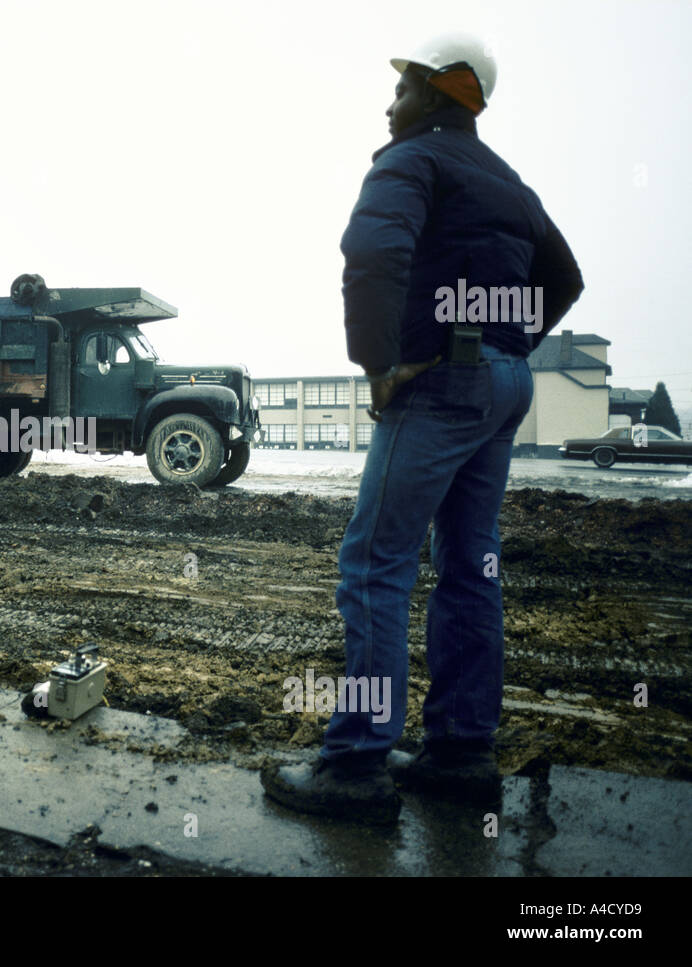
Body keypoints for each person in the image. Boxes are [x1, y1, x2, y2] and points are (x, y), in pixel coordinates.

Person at [262, 32, 584, 823]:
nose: (389, 101)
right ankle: (460, 754)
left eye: (402, 87)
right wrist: (507, 342)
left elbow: (373, 253)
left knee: (375, 563)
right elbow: (566, 278)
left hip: (441, 384)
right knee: (471, 567)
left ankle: (358, 767)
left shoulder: (410, 160)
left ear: (439, 94)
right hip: (504, 384)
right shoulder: (509, 182)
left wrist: (382, 362)